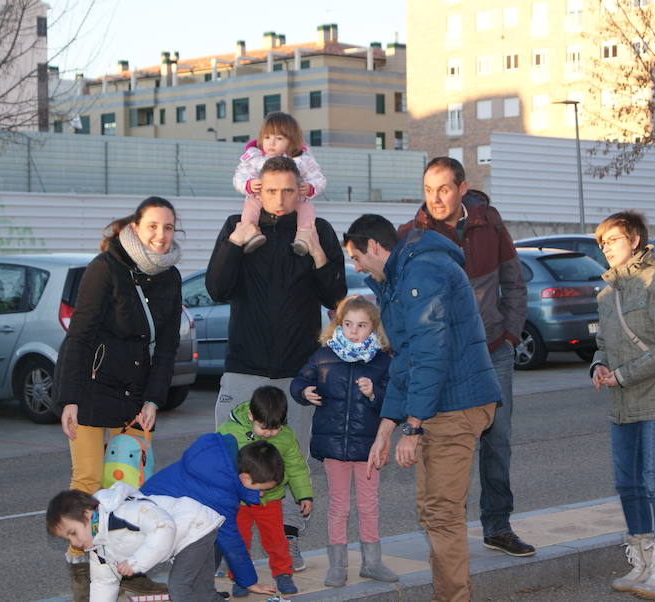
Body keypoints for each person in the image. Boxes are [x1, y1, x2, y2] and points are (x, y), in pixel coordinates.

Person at [344, 214, 502, 602]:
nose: (356, 267)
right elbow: (404, 359)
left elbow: (429, 355)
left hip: (457, 403)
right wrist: (386, 429)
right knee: (431, 512)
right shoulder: (400, 278)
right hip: (441, 403)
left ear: (377, 247)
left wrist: (412, 427)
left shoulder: (421, 272)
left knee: (442, 514)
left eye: (357, 257)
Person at [207, 155, 347, 568]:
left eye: (289, 190)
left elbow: (335, 297)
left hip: (297, 372)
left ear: (301, 190)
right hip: (243, 366)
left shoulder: (316, 229)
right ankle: (228, 543)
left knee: (291, 459)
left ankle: (288, 541)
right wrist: (237, 240)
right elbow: (216, 287)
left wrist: (318, 251)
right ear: (258, 190)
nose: (280, 199)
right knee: (230, 457)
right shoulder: (239, 224)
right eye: (271, 190)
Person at [398, 157, 534, 557]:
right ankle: (444, 531)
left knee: (498, 440)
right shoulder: (412, 235)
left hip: (493, 351)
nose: (435, 198)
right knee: (441, 446)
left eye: (443, 189)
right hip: (442, 362)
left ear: (461, 188)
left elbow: (514, 282)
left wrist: (508, 335)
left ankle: (498, 526)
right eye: (428, 189)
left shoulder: (489, 223)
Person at [56, 196, 183, 600]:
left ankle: (128, 567)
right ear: (136, 226)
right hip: (91, 389)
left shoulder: (171, 277)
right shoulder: (106, 267)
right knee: (90, 481)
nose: (161, 236)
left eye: (168, 228)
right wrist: (69, 398)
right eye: (153, 227)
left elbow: (166, 347)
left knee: (129, 486)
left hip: (135, 395)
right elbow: (80, 334)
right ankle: (81, 566)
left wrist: (153, 400)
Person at [590, 211, 655, 601]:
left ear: (634, 240)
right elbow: (604, 345)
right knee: (627, 483)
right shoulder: (607, 293)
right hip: (622, 401)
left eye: (613, 240)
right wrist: (599, 367)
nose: (606, 248)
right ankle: (643, 564)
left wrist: (624, 374)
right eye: (602, 243)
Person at [290, 295, 398, 588]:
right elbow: (299, 380)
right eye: (348, 324)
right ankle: (337, 565)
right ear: (338, 324)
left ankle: (372, 563)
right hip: (334, 447)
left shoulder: (383, 359)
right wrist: (304, 392)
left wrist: (374, 392)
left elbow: (394, 400)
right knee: (339, 506)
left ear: (373, 328)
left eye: (361, 325)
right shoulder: (324, 354)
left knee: (368, 505)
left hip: (367, 447)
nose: (353, 330)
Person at [141, 434, 281, 598]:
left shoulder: (218, 462)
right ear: (246, 478)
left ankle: (205, 594)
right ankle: (196, 593)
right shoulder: (222, 494)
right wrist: (249, 581)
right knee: (186, 577)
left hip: (147, 511)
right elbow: (232, 542)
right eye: (261, 489)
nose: (262, 494)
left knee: (211, 534)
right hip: (152, 525)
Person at [46, 482, 225, 601]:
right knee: (202, 590)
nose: (74, 543)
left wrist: (136, 561)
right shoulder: (99, 549)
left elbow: (163, 527)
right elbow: (104, 583)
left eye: (73, 533)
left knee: (179, 587)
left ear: (88, 514)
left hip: (193, 526)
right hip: (189, 536)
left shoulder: (122, 513)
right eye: (67, 539)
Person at [217, 386, 313, 596]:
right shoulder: (230, 432)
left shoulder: (286, 437)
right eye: (263, 428)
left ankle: (283, 573)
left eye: (275, 428)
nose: (269, 433)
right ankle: (241, 579)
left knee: (277, 539)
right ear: (251, 415)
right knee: (239, 541)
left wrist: (304, 494)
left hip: (270, 499)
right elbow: (219, 464)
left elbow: (296, 467)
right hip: (238, 501)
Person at [232, 111, 327, 255]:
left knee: (307, 209)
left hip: (294, 202)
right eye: (267, 137)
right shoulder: (255, 159)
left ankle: (303, 236)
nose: (271, 142)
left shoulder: (302, 160)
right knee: (250, 206)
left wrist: (310, 187)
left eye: (279, 138)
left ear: (292, 141)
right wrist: (248, 184)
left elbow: (319, 178)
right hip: (260, 200)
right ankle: (251, 232)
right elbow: (239, 176)